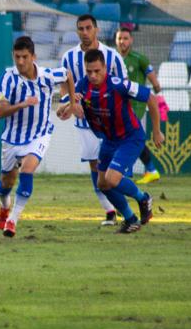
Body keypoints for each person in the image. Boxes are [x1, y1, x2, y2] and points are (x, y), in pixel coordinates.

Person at [59, 49, 163, 233]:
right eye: (89, 71)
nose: (93, 75)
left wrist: (156, 131)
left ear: (105, 68)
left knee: (112, 178)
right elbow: (62, 112)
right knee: (102, 184)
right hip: (109, 139)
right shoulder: (82, 86)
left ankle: (143, 198)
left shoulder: (118, 84)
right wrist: (71, 106)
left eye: (97, 71)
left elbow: (151, 98)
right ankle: (131, 219)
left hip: (131, 137)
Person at [0, 36, 76, 238]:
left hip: (39, 135)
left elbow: (68, 75)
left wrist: (71, 103)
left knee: (28, 170)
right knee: (6, 183)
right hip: (12, 138)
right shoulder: (8, 78)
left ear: (33, 57)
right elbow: (1, 111)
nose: (20, 62)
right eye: (17, 57)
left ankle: (12, 220)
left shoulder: (47, 76)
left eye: (24, 57)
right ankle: (4, 206)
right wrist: (22, 104)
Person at [60, 14, 128, 226]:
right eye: (81, 28)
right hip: (85, 122)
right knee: (95, 166)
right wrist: (71, 103)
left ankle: (130, 205)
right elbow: (64, 88)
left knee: (115, 168)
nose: (85, 32)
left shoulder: (112, 56)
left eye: (89, 28)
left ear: (96, 29)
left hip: (111, 120)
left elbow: (124, 85)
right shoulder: (68, 58)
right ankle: (109, 210)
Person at [115, 27, 163, 184]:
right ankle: (150, 170)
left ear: (131, 40)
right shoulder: (112, 58)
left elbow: (155, 84)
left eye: (125, 38)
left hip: (135, 104)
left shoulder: (139, 58)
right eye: (120, 38)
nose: (122, 41)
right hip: (118, 104)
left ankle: (127, 172)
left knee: (126, 136)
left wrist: (155, 89)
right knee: (132, 137)